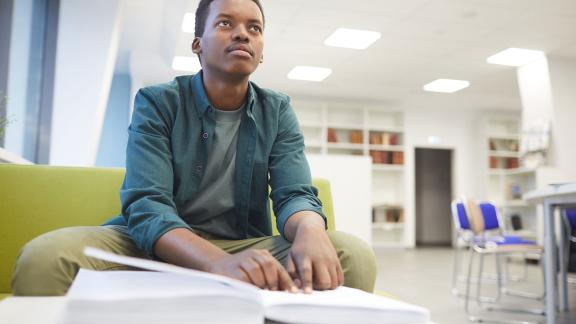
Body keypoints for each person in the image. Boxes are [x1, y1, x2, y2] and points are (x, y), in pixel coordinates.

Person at [12, 0, 376, 296]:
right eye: (225, 23)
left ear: (261, 52)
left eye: (254, 28)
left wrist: (311, 230)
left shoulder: (276, 110)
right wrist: (214, 262)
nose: (242, 34)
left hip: (241, 245)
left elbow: (293, 193)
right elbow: (147, 205)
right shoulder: (157, 102)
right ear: (197, 43)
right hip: (156, 244)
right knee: (46, 258)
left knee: (352, 255)